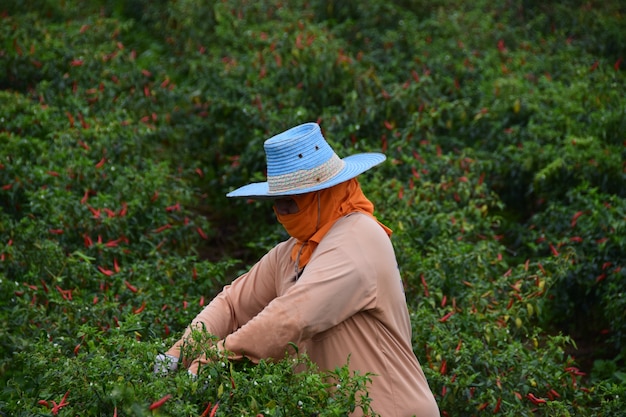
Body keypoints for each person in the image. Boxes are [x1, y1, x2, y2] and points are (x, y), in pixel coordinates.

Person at [155, 122, 440, 417]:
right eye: (277, 204)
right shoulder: (293, 252)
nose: (282, 214)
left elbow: (292, 317)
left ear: (323, 194)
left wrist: (214, 359)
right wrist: (178, 352)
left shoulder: (359, 236)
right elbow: (232, 304)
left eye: (291, 203)